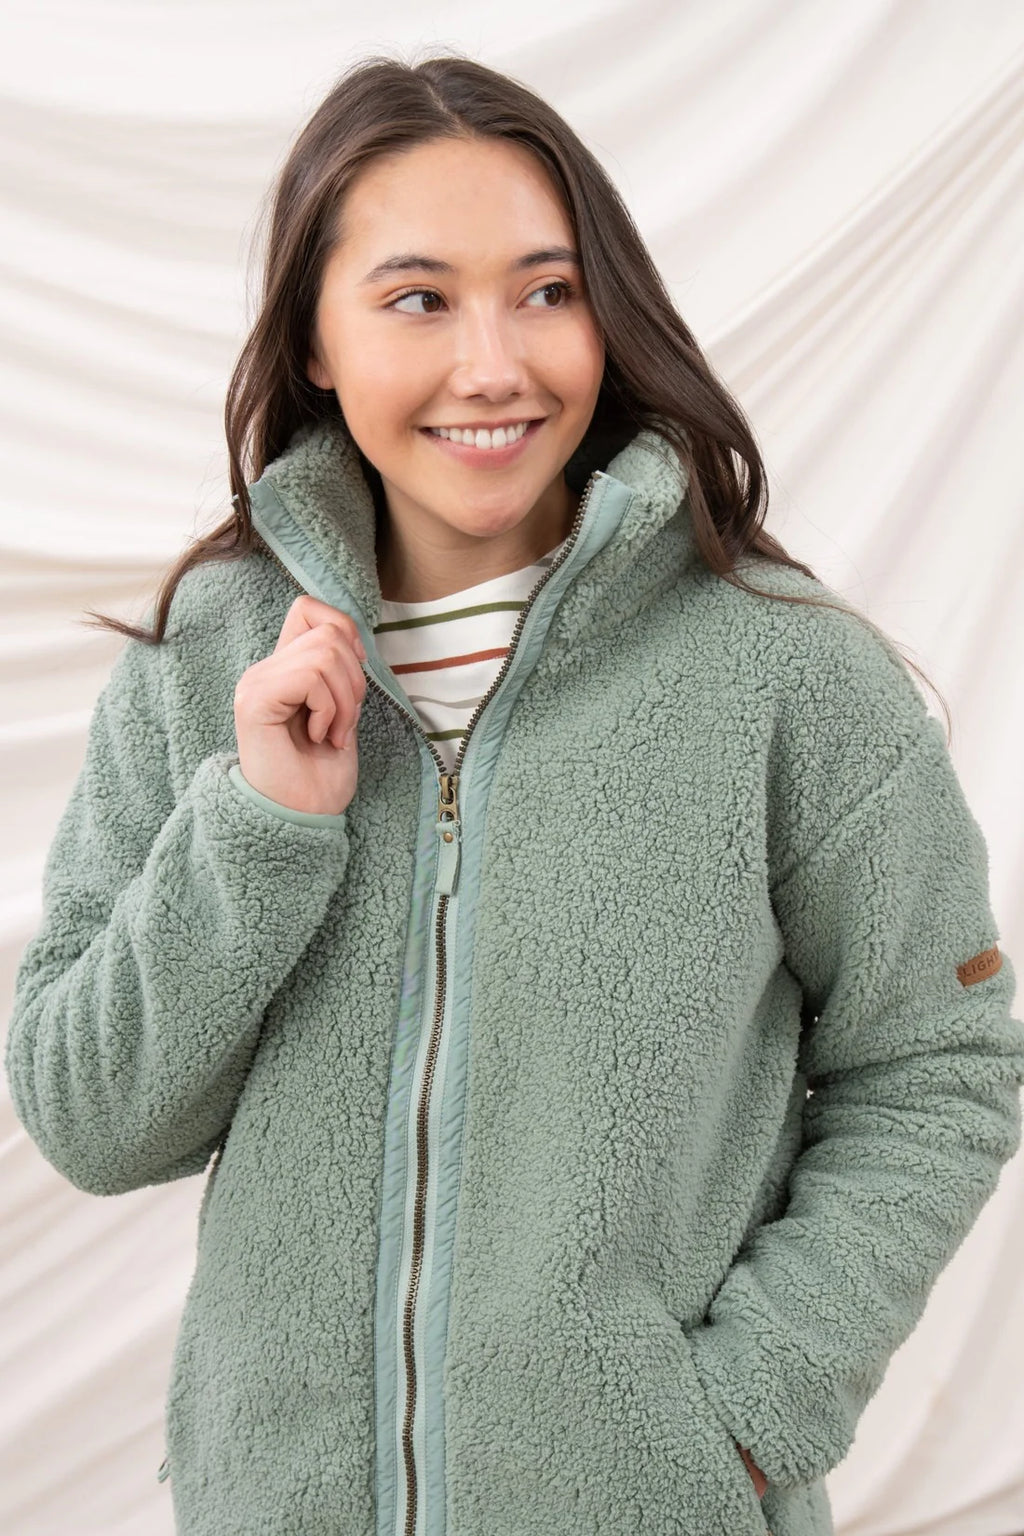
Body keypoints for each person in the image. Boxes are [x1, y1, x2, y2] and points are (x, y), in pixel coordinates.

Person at [5, 50, 1023, 1536]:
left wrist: (741, 1420)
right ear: (314, 340)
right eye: (418, 299)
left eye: (547, 291)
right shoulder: (206, 661)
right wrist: (262, 826)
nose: (495, 365)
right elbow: (93, 1121)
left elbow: (940, 1061)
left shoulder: (781, 672)